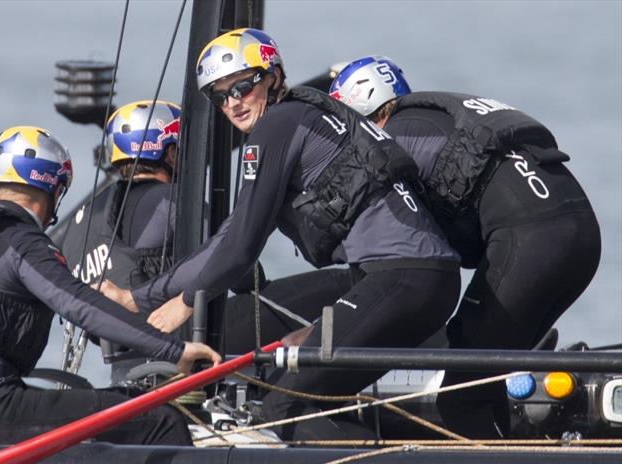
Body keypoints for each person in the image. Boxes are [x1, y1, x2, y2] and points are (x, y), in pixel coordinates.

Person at [97, 29, 461, 441]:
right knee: (315, 393)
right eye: (220, 95)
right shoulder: (302, 116)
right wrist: (139, 297)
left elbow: (240, 248)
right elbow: (231, 235)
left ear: (272, 76)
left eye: (242, 86)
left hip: (400, 278)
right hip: (421, 280)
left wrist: (182, 303)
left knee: (283, 404)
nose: (233, 103)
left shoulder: (276, 127)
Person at [0, 125, 221, 445]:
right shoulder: (20, 240)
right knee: (159, 419)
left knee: (113, 405)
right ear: (53, 190)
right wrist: (173, 351)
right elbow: (80, 305)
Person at [330, 56, 601, 438]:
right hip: (582, 235)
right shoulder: (434, 117)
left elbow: (402, 247)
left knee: (461, 397)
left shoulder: (392, 140)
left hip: (533, 244)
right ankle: (516, 462)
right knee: (484, 381)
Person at [54, 99, 353, 362]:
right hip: (180, 336)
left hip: (126, 356)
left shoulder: (88, 215)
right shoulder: (172, 203)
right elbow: (245, 272)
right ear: (170, 154)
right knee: (348, 284)